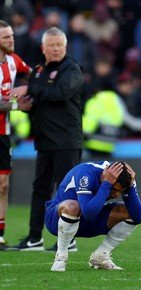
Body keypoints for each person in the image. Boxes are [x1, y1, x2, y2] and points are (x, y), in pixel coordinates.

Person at [10, 27, 84, 251]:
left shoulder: (72, 69)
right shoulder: (39, 70)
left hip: (66, 142)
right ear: (43, 48)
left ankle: (68, 240)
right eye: (50, 45)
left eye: (58, 45)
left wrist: (29, 88)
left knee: (66, 192)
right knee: (40, 190)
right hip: (45, 141)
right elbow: (38, 101)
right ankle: (34, 238)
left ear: (65, 47)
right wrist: (26, 108)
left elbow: (61, 93)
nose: (55, 49)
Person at [45, 160, 141, 272]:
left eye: (121, 191)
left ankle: (101, 256)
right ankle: (60, 258)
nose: (117, 194)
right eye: (115, 189)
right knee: (73, 206)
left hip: (88, 221)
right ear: (105, 175)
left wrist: (130, 187)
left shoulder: (126, 177)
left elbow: (138, 215)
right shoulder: (86, 172)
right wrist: (106, 184)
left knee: (129, 211)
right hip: (58, 220)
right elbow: (88, 212)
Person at [0, 20, 32, 250]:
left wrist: (27, 88)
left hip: (3, 133)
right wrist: (17, 107)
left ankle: (0, 235)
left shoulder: (14, 61)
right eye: (6, 38)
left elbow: (35, 75)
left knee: (2, 184)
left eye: (11, 36)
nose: (12, 40)